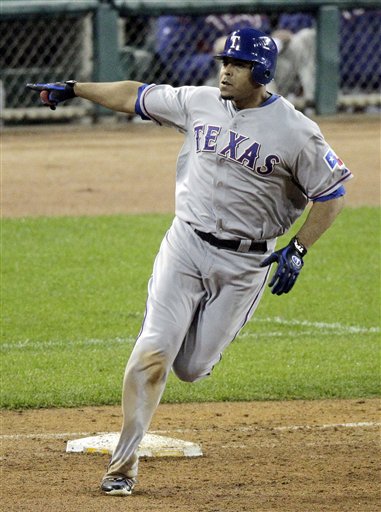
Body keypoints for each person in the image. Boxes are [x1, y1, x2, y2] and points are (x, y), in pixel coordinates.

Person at [26, 27, 352, 497]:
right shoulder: (198, 102)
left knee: (191, 368)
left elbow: (333, 194)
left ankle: (186, 356)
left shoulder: (297, 132)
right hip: (185, 244)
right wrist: (77, 89)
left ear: (260, 72)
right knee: (154, 348)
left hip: (246, 265)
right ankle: (122, 468)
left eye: (236, 65)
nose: (225, 71)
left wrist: (299, 248)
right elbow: (134, 95)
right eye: (224, 61)